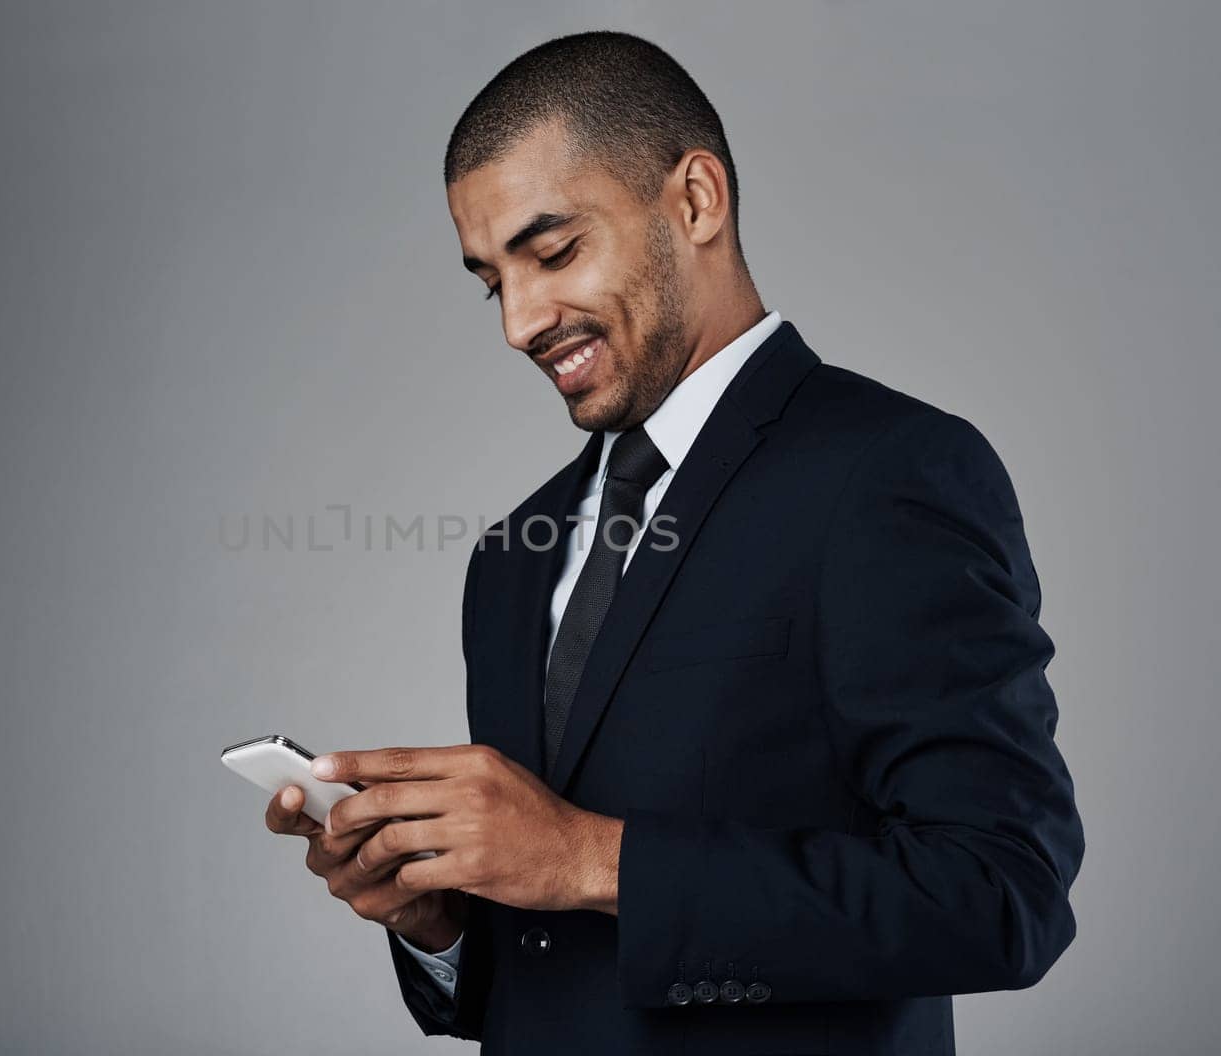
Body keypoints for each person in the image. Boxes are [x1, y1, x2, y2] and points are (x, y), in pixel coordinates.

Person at [264, 30, 1083, 1055]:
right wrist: (435, 920)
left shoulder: (890, 471)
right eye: (489, 280)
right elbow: (547, 971)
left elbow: (1000, 896)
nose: (518, 321)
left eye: (553, 251)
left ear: (695, 200)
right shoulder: (511, 558)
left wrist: (586, 860)